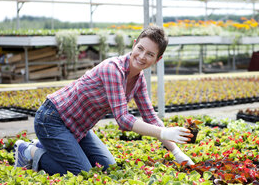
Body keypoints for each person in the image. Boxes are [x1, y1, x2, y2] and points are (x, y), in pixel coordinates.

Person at [14, 25, 194, 176]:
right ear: (134, 45)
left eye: (150, 54)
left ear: (158, 59)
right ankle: (28, 151)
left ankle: (52, 144)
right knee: (83, 173)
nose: (142, 56)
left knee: (109, 167)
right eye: (140, 48)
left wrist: (177, 152)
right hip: (52, 119)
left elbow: (151, 118)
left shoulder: (138, 80)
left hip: (79, 128)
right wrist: (163, 133)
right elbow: (123, 119)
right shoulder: (112, 69)